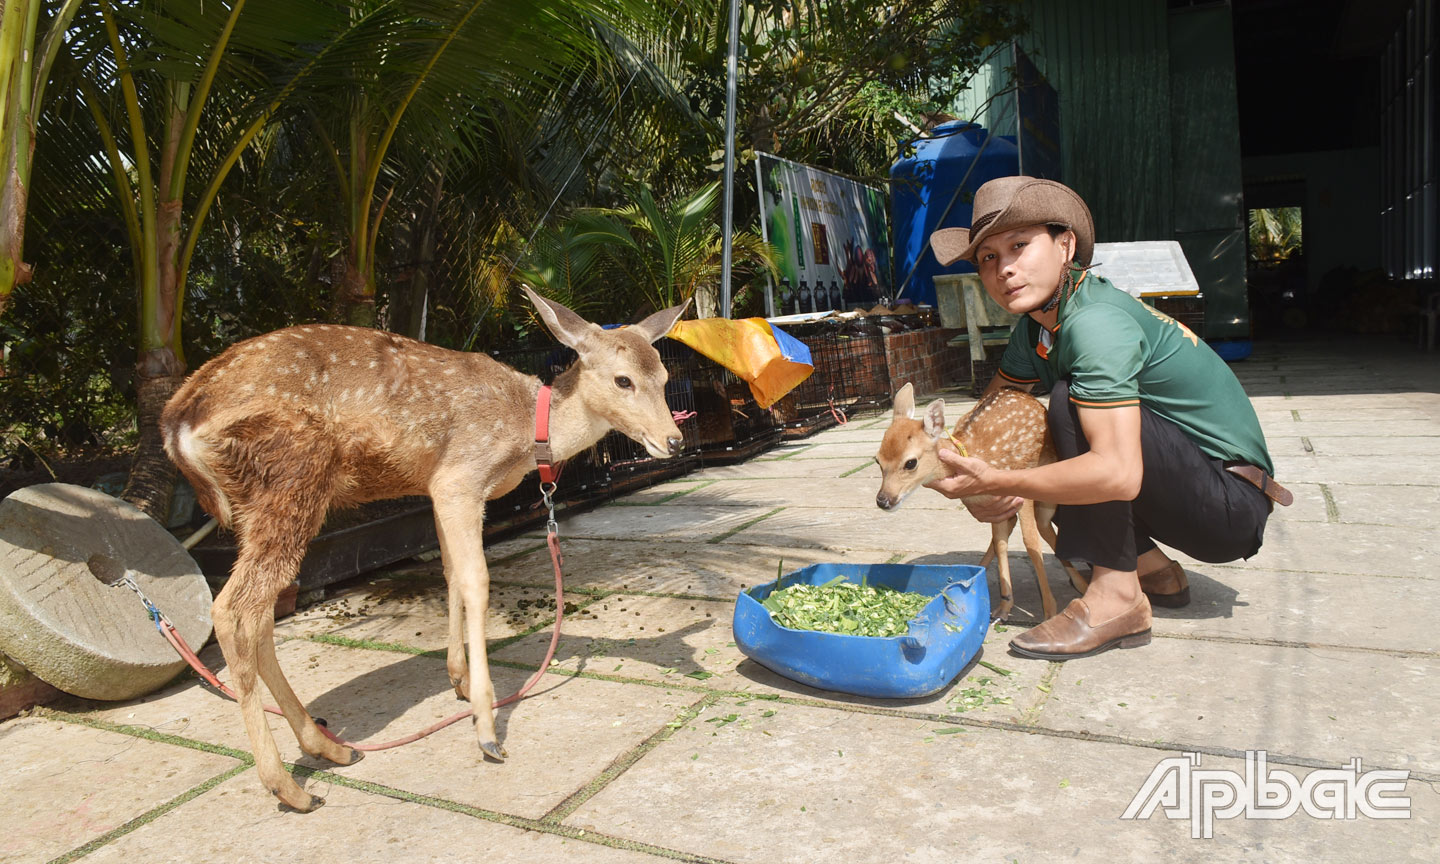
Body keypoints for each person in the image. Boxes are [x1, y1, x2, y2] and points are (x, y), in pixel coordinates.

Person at [925, 176, 1290, 661]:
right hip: (1193, 489)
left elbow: (1118, 472)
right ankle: (1154, 569)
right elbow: (993, 421)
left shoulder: (1094, 322)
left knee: (1069, 406)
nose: (1004, 269)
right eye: (988, 257)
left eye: (1019, 245)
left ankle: (1117, 598)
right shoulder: (1036, 327)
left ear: (1065, 245)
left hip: (1229, 506)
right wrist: (975, 479)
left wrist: (1005, 480)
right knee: (1045, 429)